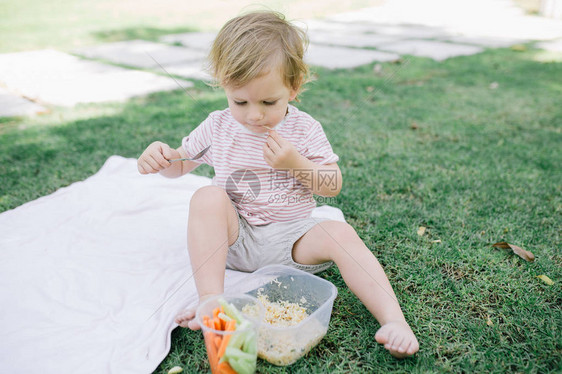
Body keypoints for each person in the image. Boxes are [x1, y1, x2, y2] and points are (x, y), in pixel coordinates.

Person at [137, 11, 419, 358]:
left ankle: (394, 320)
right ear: (223, 86)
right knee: (208, 196)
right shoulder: (218, 126)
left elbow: (332, 184)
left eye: (268, 102)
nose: (254, 114)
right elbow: (179, 166)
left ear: (293, 88)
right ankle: (211, 301)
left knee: (340, 234)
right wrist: (161, 158)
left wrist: (296, 164)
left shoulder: (304, 129)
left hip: (293, 240)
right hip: (235, 240)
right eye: (239, 101)